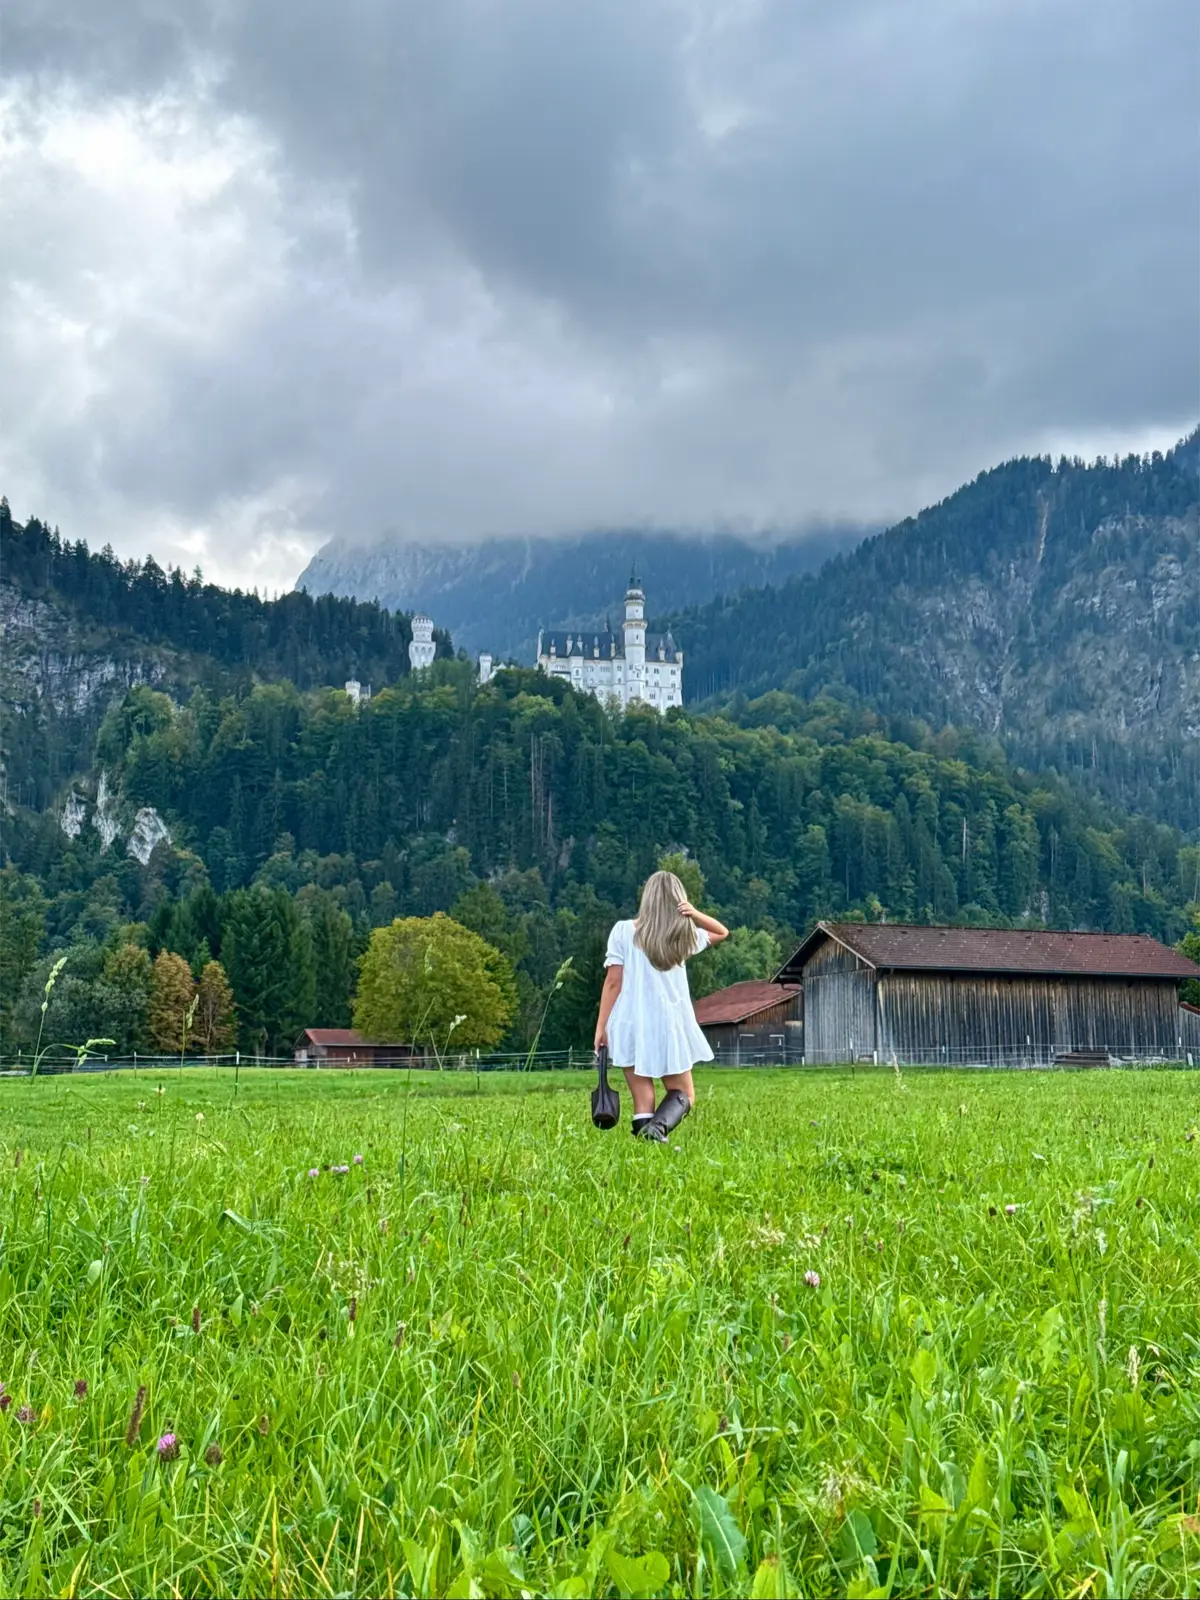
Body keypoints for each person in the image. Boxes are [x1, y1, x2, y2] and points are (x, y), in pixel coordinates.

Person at [593, 869, 728, 1142]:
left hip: (629, 1023)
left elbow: (612, 983)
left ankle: (648, 1141)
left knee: (643, 1098)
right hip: (669, 1025)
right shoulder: (683, 938)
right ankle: (658, 1130)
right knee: (684, 1094)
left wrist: (601, 1027)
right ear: (679, 901)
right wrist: (694, 913)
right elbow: (722, 932)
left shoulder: (622, 931)